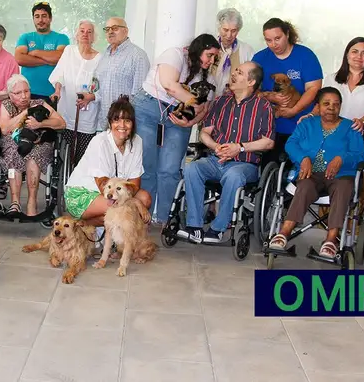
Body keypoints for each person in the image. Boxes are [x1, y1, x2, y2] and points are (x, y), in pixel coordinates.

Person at [176, 62, 275, 244]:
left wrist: (240, 147)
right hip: (216, 159)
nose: (234, 74)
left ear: (251, 81)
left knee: (233, 175)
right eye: (235, 70)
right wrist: (215, 147)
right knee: (192, 168)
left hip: (245, 164)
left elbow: (268, 141)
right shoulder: (221, 101)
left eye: (240, 72)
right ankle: (194, 227)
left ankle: (218, 228)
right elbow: (205, 132)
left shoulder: (263, 107)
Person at [267, 87, 364, 259]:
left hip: (341, 175)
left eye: (336, 104)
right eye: (326, 103)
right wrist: (303, 158)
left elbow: (360, 155)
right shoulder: (307, 124)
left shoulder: (351, 127)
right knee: (304, 186)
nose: (331, 107)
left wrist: (341, 158)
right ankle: (283, 233)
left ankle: (330, 239)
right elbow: (291, 144)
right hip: (310, 173)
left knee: (343, 188)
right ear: (318, 106)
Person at [134, 33, 219, 223]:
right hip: (148, 107)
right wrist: (193, 102)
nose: (212, 60)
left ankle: (166, 219)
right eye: (209, 55)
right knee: (147, 165)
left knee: (170, 169)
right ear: (199, 49)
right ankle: (143, 217)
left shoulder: (209, 78)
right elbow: (169, 85)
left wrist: (189, 122)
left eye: (215, 57)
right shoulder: (175, 55)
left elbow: (204, 109)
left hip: (178, 117)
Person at [305, 37, 364, 219]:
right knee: (328, 182)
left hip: (361, 140)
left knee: (357, 186)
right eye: (355, 52)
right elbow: (320, 105)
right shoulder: (331, 79)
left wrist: (363, 121)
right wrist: (310, 116)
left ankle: (351, 228)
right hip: (331, 141)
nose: (359, 56)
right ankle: (326, 228)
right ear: (347, 55)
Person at [64, 96, 150, 227]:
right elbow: (103, 186)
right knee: (122, 209)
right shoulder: (100, 141)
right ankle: (83, 226)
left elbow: (135, 183)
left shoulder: (137, 141)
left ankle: (95, 227)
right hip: (83, 193)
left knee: (145, 199)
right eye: (117, 120)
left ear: (133, 124)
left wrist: (134, 202)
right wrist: (135, 203)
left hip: (117, 193)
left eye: (127, 121)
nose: (122, 125)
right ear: (110, 123)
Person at [254, 18, 323, 165]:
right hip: (269, 128)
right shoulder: (260, 58)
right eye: (269, 40)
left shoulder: (305, 56)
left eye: (278, 38)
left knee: (297, 171)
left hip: (300, 125)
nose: (274, 44)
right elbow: (251, 91)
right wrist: (271, 97)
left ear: (287, 34)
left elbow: (314, 88)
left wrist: (294, 110)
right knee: (269, 169)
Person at [0, 74, 66, 220]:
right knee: (12, 153)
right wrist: (25, 113)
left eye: (26, 91)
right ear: (10, 95)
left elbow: (61, 123)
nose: (24, 96)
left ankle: (31, 203)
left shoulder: (39, 102)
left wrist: (40, 124)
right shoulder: (6, 105)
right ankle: (15, 203)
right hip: (14, 141)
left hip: (39, 141)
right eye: (18, 93)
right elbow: (4, 129)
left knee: (33, 157)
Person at [49, 20, 101, 165]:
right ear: (76, 35)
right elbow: (60, 73)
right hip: (66, 109)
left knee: (82, 157)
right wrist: (57, 90)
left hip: (87, 113)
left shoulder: (100, 58)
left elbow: (100, 85)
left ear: (94, 37)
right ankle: (60, 183)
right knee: (62, 154)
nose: (85, 34)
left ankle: (78, 184)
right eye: (82, 31)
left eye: (89, 32)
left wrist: (90, 97)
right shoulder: (69, 51)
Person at [93, 17, 150, 132]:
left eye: (115, 28)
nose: (110, 32)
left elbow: (139, 95)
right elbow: (98, 85)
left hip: (124, 125)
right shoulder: (104, 54)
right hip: (105, 122)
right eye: (107, 29)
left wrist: (125, 121)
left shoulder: (138, 55)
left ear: (126, 31)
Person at [14, 2, 70, 102]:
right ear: (33, 19)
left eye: (44, 16)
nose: (40, 20)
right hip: (27, 94)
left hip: (53, 94)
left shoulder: (61, 38)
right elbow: (20, 59)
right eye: (37, 16)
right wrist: (49, 60)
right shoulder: (25, 37)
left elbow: (59, 57)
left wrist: (36, 52)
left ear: (50, 18)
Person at [210, 8, 255, 96]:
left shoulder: (247, 50)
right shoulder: (209, 47)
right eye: (225, 30)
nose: (229, 35)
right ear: (219, 28)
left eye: (233, 31)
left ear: (238, 30)